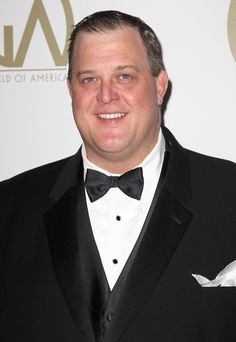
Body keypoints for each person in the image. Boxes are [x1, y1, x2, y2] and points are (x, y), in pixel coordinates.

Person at [0, 10, 236, 342]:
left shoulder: (230, 195)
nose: (106, 95)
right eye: (89, 79)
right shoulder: (8, 207)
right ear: (71, 91)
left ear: (159, 86)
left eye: (124, 76)